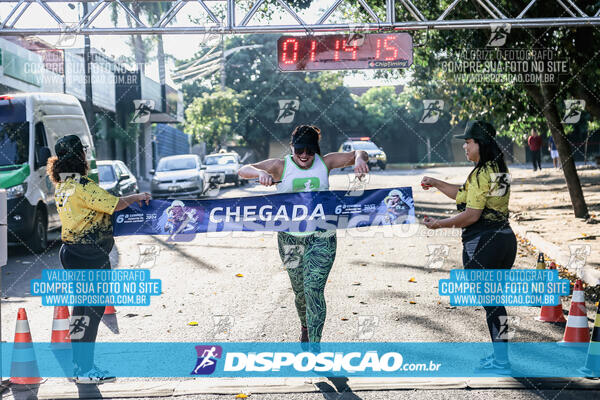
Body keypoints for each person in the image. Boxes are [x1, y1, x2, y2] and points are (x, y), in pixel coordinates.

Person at [238, 125, 369, 343]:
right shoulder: (280, 166)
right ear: (291, 147)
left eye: (310, 150)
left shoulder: (325, 163)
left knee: (313, 290)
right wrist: (260, 173)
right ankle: (306, 326)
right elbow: (243, 170)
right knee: (300, 292)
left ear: (316, 149)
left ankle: (315, 347)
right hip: (290, 240)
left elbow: (359, 153)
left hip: (322, 237)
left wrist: (358, 159)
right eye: (300, 150)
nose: (305, 156)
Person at [47, 135, 151, 384]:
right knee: (91, 313)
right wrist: (137, 197)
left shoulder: (63, 184)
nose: (86, 155)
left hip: (71, 252)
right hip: (89, 255)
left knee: (81, 311)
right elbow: (114, 204)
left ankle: (78, 365)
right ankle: (85, 370)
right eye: (83, 151)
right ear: (79, 156)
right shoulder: (82, 185)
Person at [420, 121, 516, 374]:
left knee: (492, 303)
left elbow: (472, 215)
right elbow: (463, 194)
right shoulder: (497, 169)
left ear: (479, 144)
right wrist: (437, 182)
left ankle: (502, 361)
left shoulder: (482, 173)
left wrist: (439, 224)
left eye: (468, 142)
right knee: (496, 303)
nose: (464, 146)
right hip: (505, 240)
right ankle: (501, 357)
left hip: (483, 243)